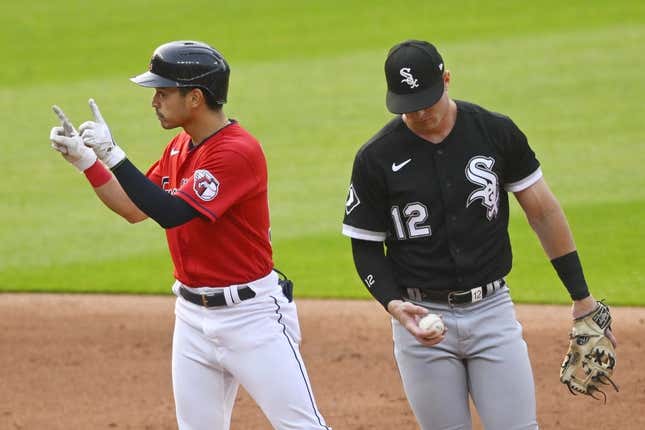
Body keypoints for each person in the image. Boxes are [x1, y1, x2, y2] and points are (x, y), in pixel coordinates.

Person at [49, 40, 330, 430]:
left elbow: (171, 213)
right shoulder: (181, 146)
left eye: (163, 93)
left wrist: (114, 155)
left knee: (303, 427)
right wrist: (87, 162)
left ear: (195, 97)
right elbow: (134, 208)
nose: (154, 102)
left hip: (251, 318)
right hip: (192, 317)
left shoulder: (236, 151)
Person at [341, 39, 617, 430]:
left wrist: (581, 297)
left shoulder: (493, 132)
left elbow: (543, 211)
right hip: (422, 321)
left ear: (447, 80)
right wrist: (392, 303)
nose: (420, 113)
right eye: (408, 106)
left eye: (427, 100)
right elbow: (365, 247)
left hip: (492, 313)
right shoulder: (376, 158)